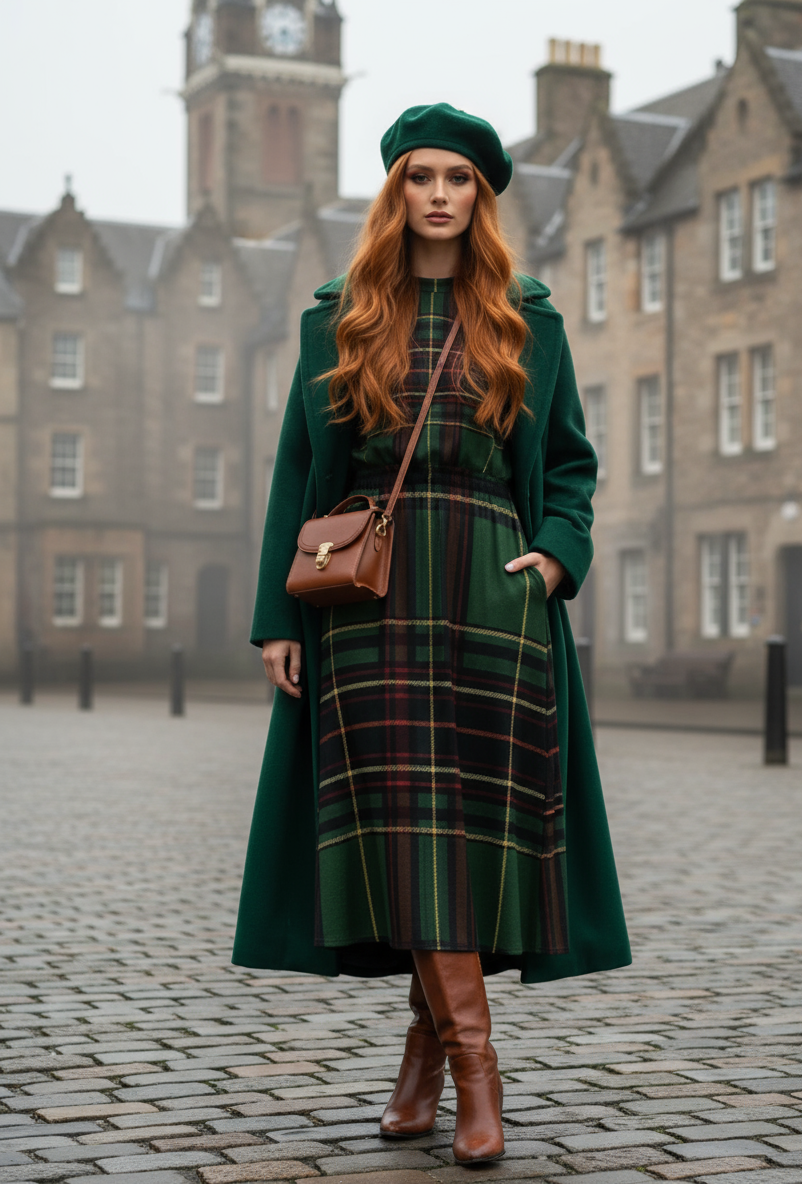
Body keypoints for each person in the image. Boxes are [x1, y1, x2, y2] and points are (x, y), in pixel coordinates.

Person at [232, 102, 631, 1165]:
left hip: (492, 595)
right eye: (423, 176)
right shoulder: (339, 317)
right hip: (367, 600)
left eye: (460, 178)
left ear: (481, 197)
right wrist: (279, 613)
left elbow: (572, 465)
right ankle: (474, 1072)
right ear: (397, 190)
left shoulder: (527, 318)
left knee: (464, 833)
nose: (441, 194)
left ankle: (429, 1057)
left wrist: (553, 556)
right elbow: (292, 472)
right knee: (408, 827)